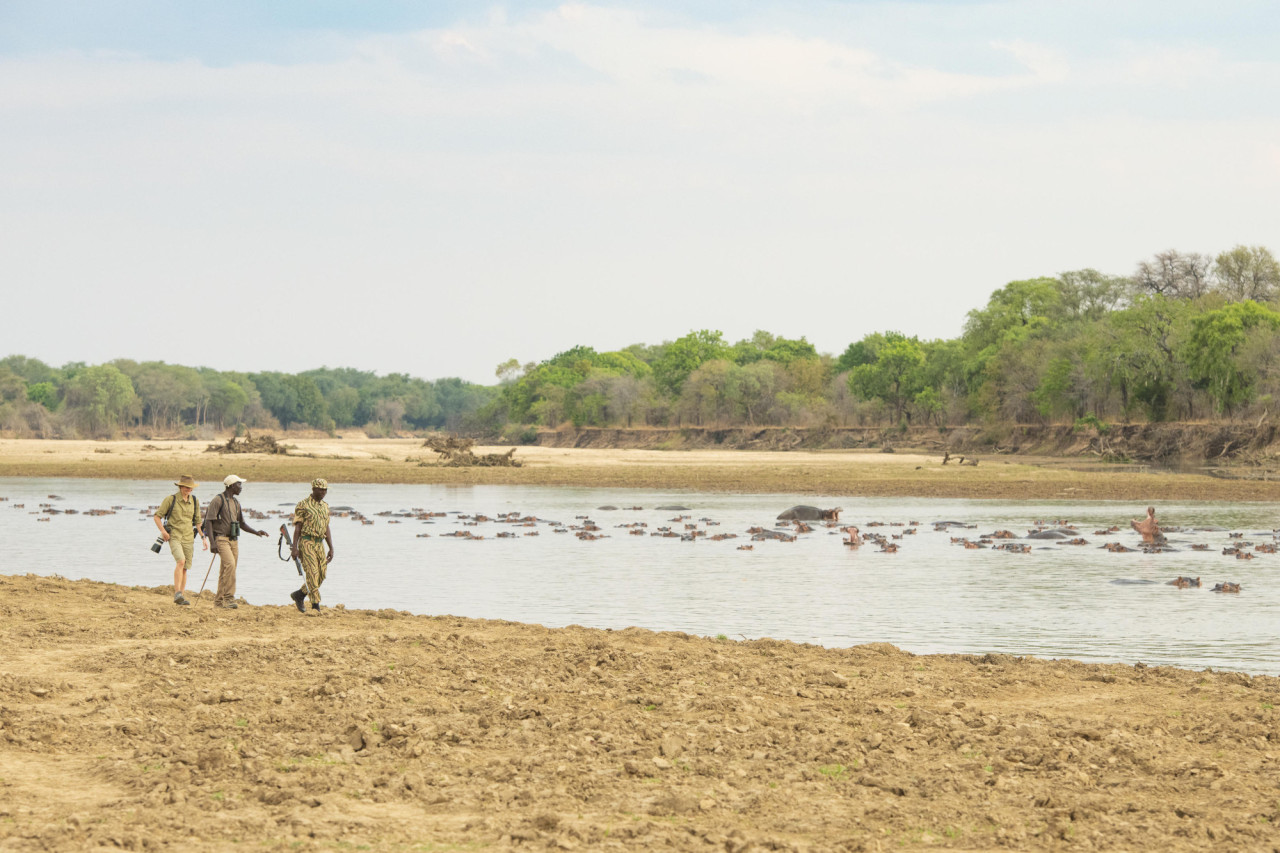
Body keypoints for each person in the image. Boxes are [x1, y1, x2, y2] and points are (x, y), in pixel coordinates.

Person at [201, 474, 269, 609]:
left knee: (227, 570)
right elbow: (208, 521)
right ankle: (229, 598)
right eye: (239, 485)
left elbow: (242, 524)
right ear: (232, 486)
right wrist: (212, 543)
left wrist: (256, 532)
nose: (241, 488)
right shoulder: (218, 500)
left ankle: (219, 602)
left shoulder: (236, 503)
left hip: (233, 540)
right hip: (221, 539)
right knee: (230, 565)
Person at [153, 475, 208, 606]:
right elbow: (157, 517)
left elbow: (198, 522)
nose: (189, 490)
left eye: (191, 488)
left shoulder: (194, 501)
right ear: (180, 487)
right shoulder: (170, 499)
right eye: (186, 487)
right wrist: (164, 531)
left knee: (185, 568)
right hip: (175, 536)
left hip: (189, 538)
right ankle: (177, 592)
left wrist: (203, 537)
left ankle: (181, 597)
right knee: (181, 561)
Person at [290, 478, 334, 615]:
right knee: (312, 573)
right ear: (313, 489)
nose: (323, 492)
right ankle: (316, 605)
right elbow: (298, 527)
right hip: (306, 541)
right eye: (320, 489)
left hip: (319, 543)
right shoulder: (303, 505)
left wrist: (331, 547)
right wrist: (295, 547)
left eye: (325, 490)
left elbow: (326, 527)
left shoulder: (325, 506)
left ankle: (300, 594)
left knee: (321, 574)